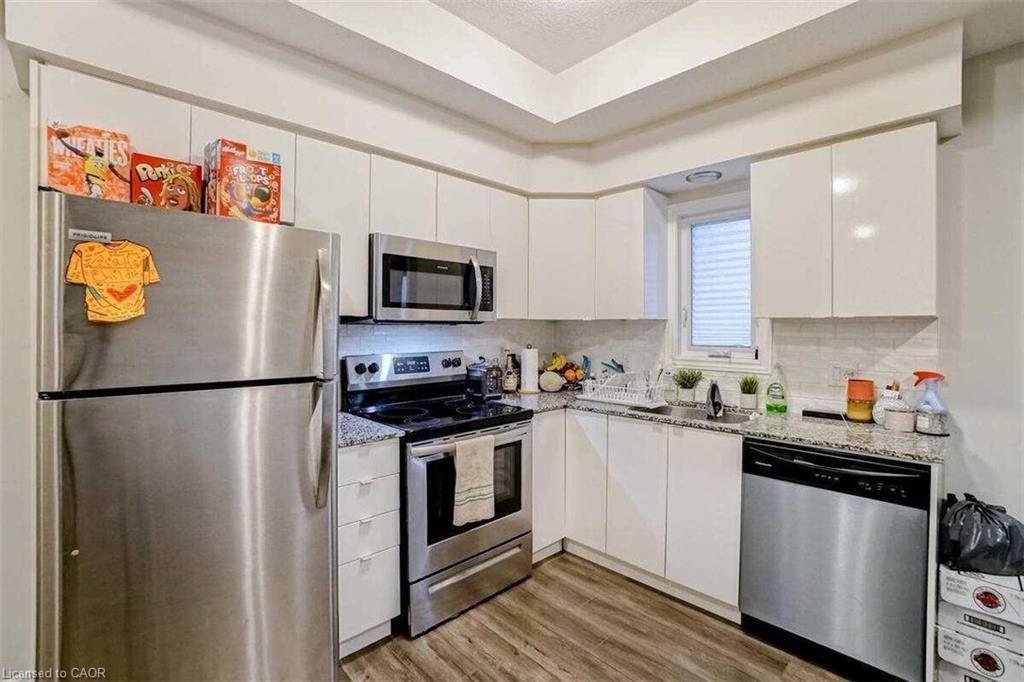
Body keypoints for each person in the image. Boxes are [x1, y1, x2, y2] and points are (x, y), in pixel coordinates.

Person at [53, 128, 128, 198]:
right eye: (98, 149)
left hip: (101, 181)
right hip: (92, 178)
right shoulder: (89, 156)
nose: (100, 149)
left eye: (101, 149)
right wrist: (62, 141)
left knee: (99, 196)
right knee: (96, 194)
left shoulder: (107, 161)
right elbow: (74, 150)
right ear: (96, 152)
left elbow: (118, 175)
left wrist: (128, 181)